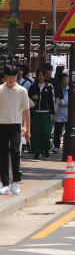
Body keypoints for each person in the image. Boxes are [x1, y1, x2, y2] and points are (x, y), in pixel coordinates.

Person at [0, 67, 31, 196]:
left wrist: (27, 128)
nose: (12, 79)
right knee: (2, 154)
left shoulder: (22, 91)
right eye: (9, 77)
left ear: (17, 76)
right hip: (1, 125)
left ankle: (15, 182)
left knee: (15, 152)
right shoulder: (0, 90)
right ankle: (5, 184)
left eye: (14, 76)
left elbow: (26, 110)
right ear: (4, 77)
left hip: (16, 126)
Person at [28, 68, 56, 159]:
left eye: (42, 75)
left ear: (45, 76)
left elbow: (52, 100)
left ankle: (46, 149)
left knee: (45, 132)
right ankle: (36, 151)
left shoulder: (49, 86)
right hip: (35, 112)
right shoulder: (33, 86)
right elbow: (27, 98)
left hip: (45, 112)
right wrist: (32, 98)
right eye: (39, 75)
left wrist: (52, 112)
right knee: (35, 133)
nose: (40, 77)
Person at [52, 74, 69, 154]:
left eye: (67, 79)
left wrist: (62, 102)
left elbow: (71, 100)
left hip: (67, 113)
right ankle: (56, 146)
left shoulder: (69, 90)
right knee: (57, 131)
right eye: (65, 79)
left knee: (68, 130)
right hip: (58, 113)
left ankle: (67, 146)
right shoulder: (56, 89)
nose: (66, 81)